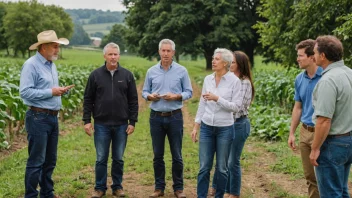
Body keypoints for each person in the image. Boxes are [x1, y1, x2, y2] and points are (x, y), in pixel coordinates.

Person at [20, 30, 71, 198]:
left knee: (50, 160)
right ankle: (31, 195)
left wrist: (60, 91)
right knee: (36, 162)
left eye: (58, 47)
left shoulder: (51, 64)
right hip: (37, 118)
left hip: (52, 117)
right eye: (54, 47)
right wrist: (51, 92)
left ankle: (47, 193)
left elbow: (48, 90)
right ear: (43, 47)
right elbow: (25, 93)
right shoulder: (31, 65)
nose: (57, 50)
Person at [83, 42, 138, 198]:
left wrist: (132, 121)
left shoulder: (127, 75)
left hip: (121, 124)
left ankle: (117, 187)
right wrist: (87, 120)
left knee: (118, 158)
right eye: (110, 54)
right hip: (101, 124)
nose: (113, 57)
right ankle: (100, 188)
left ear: (119, 56)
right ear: (104, 56)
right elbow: (88, 99)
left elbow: (133, 100)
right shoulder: (95, 75)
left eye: (116, 54)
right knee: (101, 158)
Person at [142, 39, 192, 198]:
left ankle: (178, 188)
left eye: (168, 51)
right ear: (159, 52)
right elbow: (144, 92)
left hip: (175, 117)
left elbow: (189, 92)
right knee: (158, 155)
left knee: (177, 154)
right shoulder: (151, 71)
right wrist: (149, 96)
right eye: (163, 51)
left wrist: (177, 96)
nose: (165, 53)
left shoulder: (182, 71)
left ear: (173, 53)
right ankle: (159, 188)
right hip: (156, 117)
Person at [191, 48, 242, 198]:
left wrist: (217, 98)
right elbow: (202, 104)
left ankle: (218, 195)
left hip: (225, 129)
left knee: (221, 168)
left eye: (217, 59)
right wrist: (196, 126)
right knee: (204, 167)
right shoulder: (208, 79)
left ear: (225, 63)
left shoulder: (235, 81)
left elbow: (236, 107)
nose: (213, 61)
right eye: (213, 58)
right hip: (207, 127)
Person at [310, 35, 352, 198]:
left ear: (323, 56)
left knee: (331, 194)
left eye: (314, 52)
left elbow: (324, 120)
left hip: (333, 144)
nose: (312, 56)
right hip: (348, 140)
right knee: (341, 190)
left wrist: (314, 149)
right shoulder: (349, 73)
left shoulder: (328, 80)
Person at [209, 51, 255, 198]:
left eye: (233, 63)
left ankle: (233, 192)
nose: (230, 65)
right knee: (222, 159)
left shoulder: (244, 82)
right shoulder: (227, 80)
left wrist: (221, 104)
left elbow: (238, 107)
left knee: (232, 160)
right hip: (226, 124)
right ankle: (218, 188)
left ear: (240, 64)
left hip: (238, 124)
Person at [287, 39, 322, 198]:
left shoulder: (325, 77)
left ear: (312, 57)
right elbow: (298, 107)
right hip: (305, 131)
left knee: (324, 176)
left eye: (300, 55)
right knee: (310, 177)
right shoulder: (299, 79)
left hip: (322, 131)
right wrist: (292, 132)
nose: (298, 59)